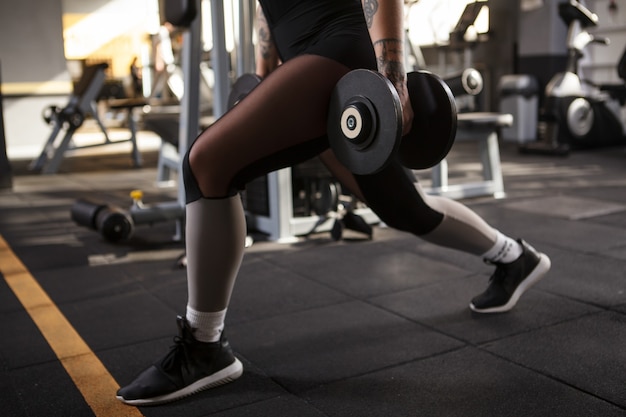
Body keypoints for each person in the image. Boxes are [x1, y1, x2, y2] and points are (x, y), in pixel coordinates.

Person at [116, 0, 551, 406]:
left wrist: (393, 76)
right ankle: (513, 256)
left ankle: (203, 346)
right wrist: (267, 70)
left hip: (337, 51)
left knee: (206, 164)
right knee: (402, 207)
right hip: (306, 60)